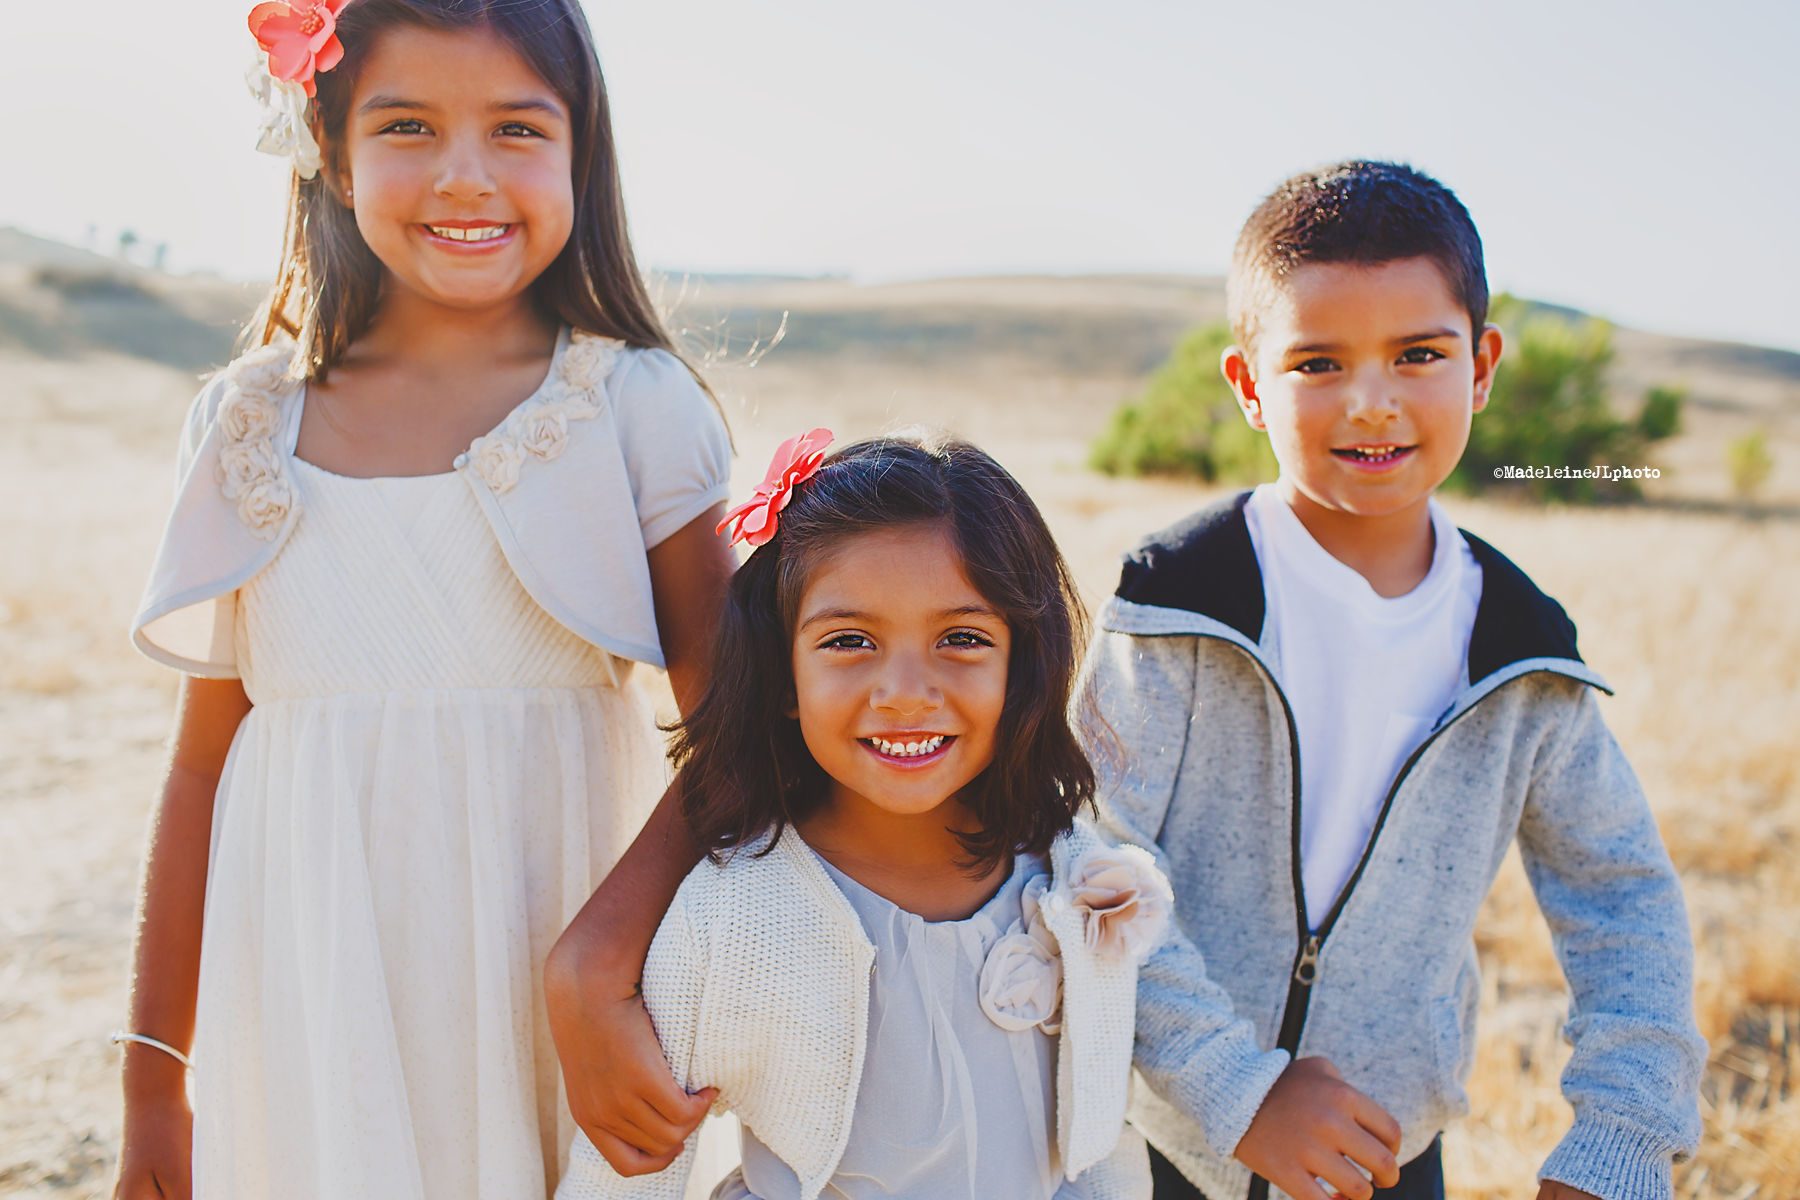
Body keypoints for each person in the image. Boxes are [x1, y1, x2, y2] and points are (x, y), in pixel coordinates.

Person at [112, 2, 735, 1197]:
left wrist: (596, 967)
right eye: (408, 125)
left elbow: (734, 735)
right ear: (329, 153)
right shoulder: (248, 424)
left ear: (580, 155)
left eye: (515, 127)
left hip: (560, 999)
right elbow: (202, 769)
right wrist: (154, 1079)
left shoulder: (631, 409)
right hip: (317, 1014)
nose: (466, 176)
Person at [1087, 161, 1707, 1200]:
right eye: (1319, 363)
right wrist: (1238, 1092)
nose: (1372, 403)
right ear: (1247, 386)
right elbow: (1091, 859)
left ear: (1482, 367)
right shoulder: (1176, 606)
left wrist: (1622, 1146)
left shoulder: (1521, 655)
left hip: (1384, 1161)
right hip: (1155, 1145)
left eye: (1419, 353)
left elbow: (1625, 895)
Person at [558, 431, 1184, 1200]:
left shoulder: (1070, 871)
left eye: (961, 638)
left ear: (1023, 662)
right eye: (850, 640)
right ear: (781, 674)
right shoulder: (734, 919)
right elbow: (625, 1177)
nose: (906, 690)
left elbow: (1142, 1062)